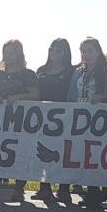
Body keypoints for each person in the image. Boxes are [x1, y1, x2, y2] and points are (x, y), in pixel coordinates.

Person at [63, 37, 107, 208]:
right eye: (83, 51)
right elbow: (71, 96)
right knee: (79, 154)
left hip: (99, 121)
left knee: (94, 156)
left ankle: (95, 192)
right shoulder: (79, 72)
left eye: (90, 51)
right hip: (79, 119)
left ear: (98, 52)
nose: (86, 54)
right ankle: (80, 188)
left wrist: (101, 97)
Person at [0, 39, 40, 202]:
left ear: (19, 54)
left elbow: (36, 95)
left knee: (21, 152)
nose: (8, 56)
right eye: (6, 52)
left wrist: (18, 97)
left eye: (12, 52)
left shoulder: (28, 74)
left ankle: (19, 188)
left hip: (20, 122)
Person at [33, 38, 74, 202]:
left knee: (63, 153)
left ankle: (64, 189)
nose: (54, 53)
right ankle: (45, 187)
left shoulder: (72, 71)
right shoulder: (41, 70)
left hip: (64, 117)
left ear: (66, 53)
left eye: (59, 50)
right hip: (42, 117)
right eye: (52, 50)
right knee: (44, 152)